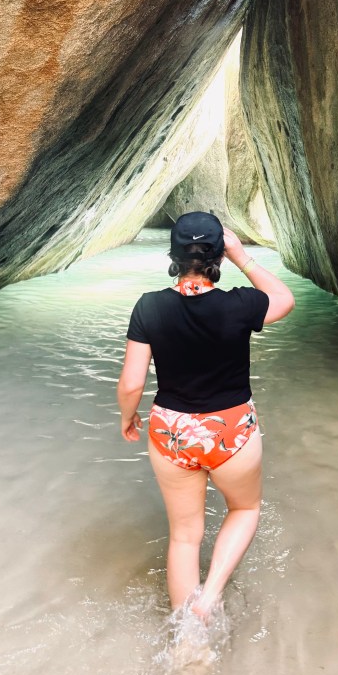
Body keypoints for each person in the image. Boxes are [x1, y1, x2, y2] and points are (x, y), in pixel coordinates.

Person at [116, 211, 295, 621]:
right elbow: (285, 299)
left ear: (174, 255)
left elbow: (131, 384)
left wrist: (128, 417)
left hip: (172, 431)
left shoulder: (150, 307)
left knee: (183, 536)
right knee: (245, 510)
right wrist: (241, 256)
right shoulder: (241, 305)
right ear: (219, 254)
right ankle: (210, 595)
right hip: (231, 431)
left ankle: (187, 640)